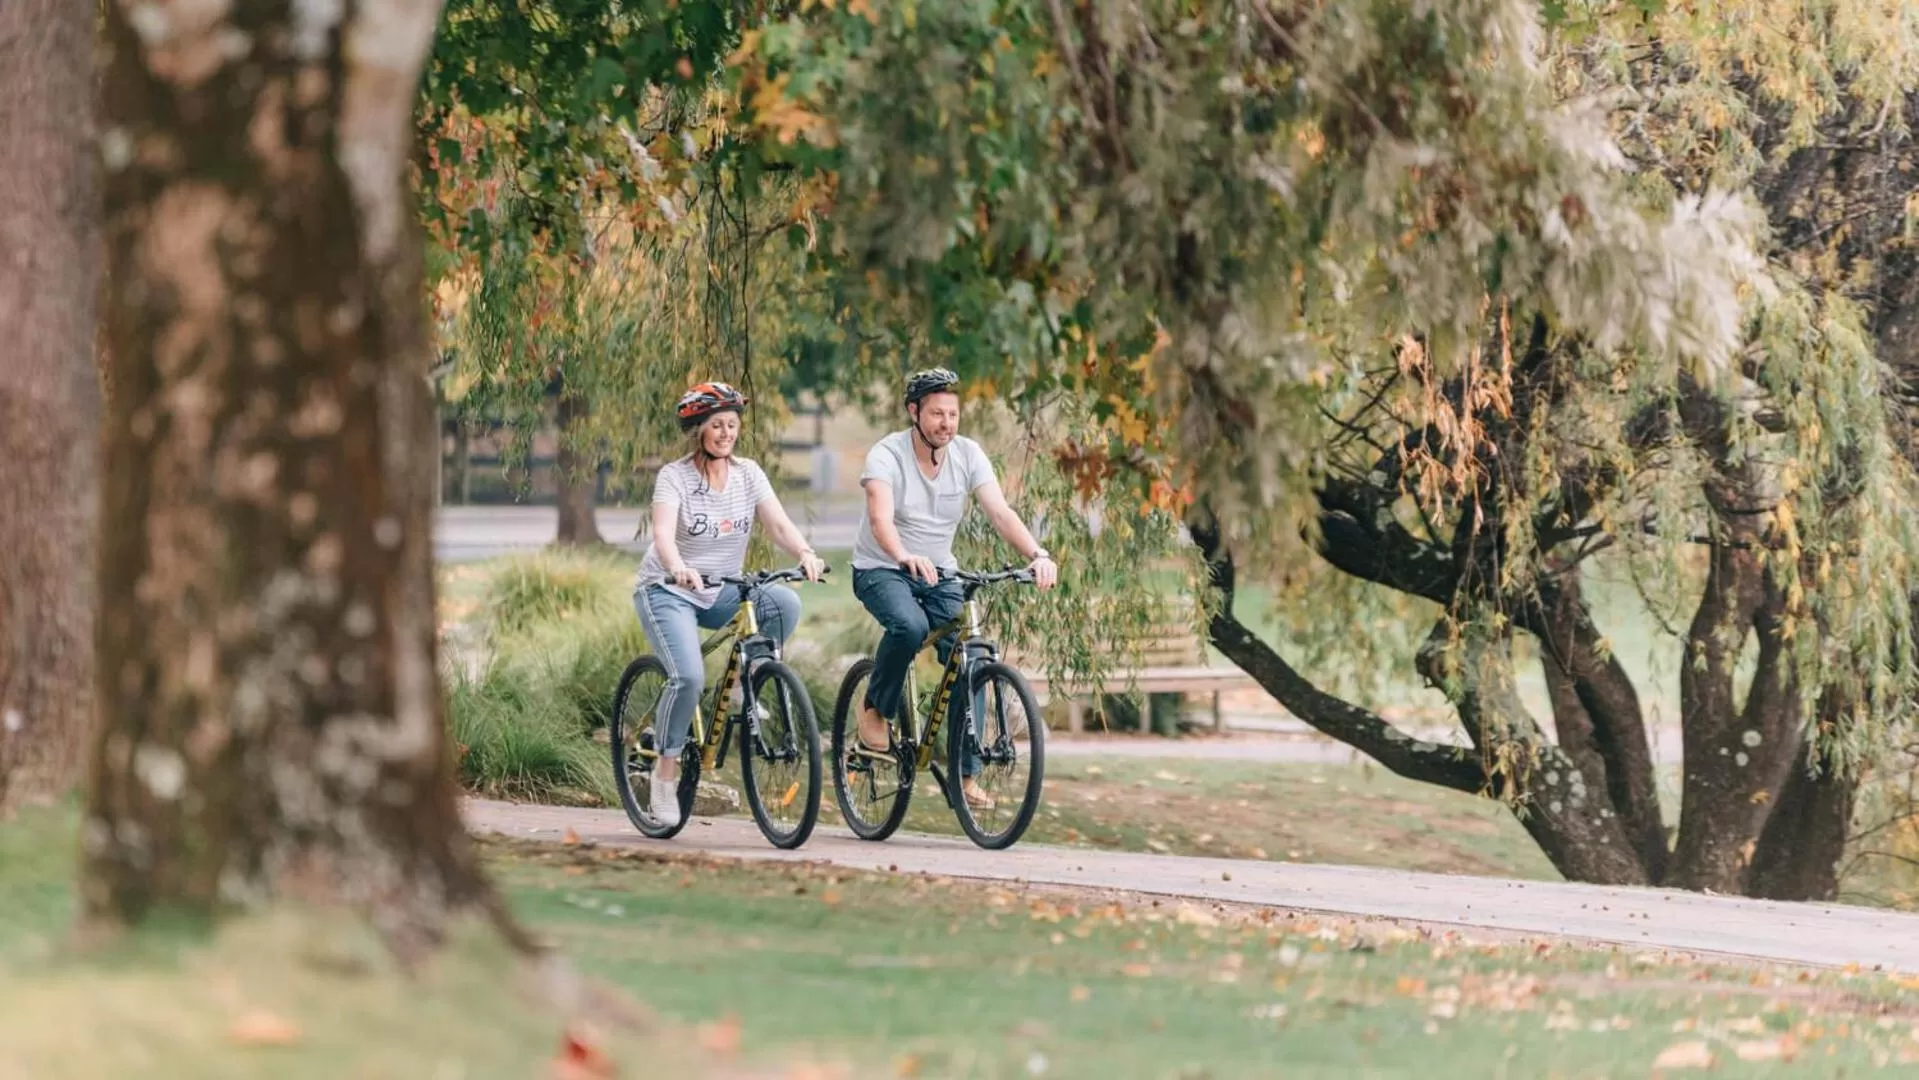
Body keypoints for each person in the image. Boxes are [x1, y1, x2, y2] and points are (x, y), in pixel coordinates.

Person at [851, 367, 1058, 809]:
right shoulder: (886, 455)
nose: (946, 423)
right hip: (881, 568)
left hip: (940, 572)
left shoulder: (967, 454)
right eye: (936, 414)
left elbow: (999, 512)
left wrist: (1037, 553)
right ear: (914, 412)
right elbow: (880, 519)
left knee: (972, 658)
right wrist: (903, 555)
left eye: (953, 414)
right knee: (909, 627)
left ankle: (967, 776)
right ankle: (874, 709)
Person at [634, 381, 827, 828]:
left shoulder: (748, 474)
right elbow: (662, 533)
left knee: (783, 604)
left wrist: (804, 552)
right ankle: (664, 776)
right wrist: (678, 567)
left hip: (722, 589)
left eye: (732, 425)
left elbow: (777, 524)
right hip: (668, 590)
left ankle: (742, 685)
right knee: (688, 677)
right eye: (717, 425)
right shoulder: (675, 477)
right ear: (698, 430)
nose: (726, 433)